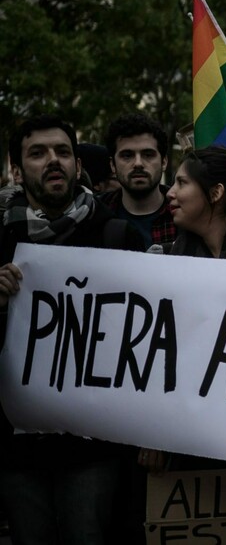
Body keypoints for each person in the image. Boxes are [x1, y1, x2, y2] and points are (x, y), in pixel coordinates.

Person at [0, 115, 144, 545]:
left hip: (94, 444)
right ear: (16, 170)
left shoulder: (118, 237)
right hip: (17, 448)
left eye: (63, 152)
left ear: (78, 166)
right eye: (38, 153)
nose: (53, 160)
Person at [99, 113, 176, 249]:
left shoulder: (186, 213)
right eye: (127, 155)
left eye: (148, 155)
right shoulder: (96, 215)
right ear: (112, 165)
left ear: (164, 162)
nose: (138, 163)